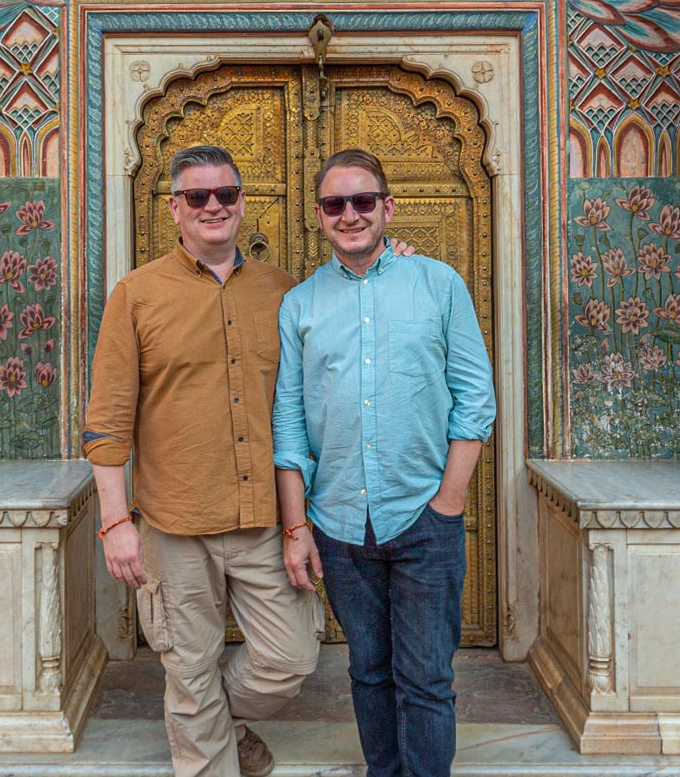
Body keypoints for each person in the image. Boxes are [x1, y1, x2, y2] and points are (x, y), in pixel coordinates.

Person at [82, 145, 317, 777]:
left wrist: (398, 261)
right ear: (175, 209)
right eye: (198, 196)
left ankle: (216, 717)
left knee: (289, 659)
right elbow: (106, 423)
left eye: (226, 195)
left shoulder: (283, 292)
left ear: (242, 203)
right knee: (188, 672)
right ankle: (209, 750)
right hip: (175, 524)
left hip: (265, 520)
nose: (213, 206)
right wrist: (115, 522)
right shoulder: (136, 294)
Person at [273, 149, 496, 777]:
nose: (350, 215)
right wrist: (297, 529)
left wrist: (448, 502)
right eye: (335, 204)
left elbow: (475, 399)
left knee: (425, 678)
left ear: (387, 207)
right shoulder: (301, 305)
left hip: (423, 519)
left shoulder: (438, 284)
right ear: (319, 216)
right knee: (368, 672)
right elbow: (288, 426)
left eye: (362, 201)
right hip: (338, 526)